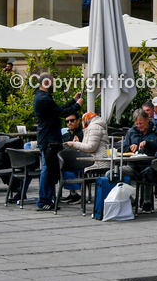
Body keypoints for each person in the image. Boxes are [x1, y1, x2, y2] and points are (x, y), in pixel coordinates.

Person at [33, 73, 82, 211]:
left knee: (48, 169)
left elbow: (58, 109)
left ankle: (47, 199)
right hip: (48, 139)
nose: (54, 85)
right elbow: (61, 113)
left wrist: (73, 101)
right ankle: (44, 201)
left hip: (47, 138)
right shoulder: (44, 99)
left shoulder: (42, 97)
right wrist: (77, 106)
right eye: (53, 82)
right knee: (47, 170)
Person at [121, 108, 157, 210]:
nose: (139, 126)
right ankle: (129, 200)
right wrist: (130, 147)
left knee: (147, 172)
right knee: (114, 173)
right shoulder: (132, 132)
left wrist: (149, 144)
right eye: (137, 124)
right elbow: (122, 148)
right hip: (133, 166)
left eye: (141, 123)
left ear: (147, 120)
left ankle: (146, 202)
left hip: (151, 165)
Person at [61, 111, 109, 203]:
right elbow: (88, 146)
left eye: (72, 120)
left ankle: (78, 194)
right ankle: (75, 194)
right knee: (65, 167)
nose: (69, 123)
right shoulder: (92, 127)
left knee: (67, 168)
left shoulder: (94, 128)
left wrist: (75, 144)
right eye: (67, 121)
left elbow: (91, 147)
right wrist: (78, 143)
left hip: (97, 162)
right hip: (91, 159)